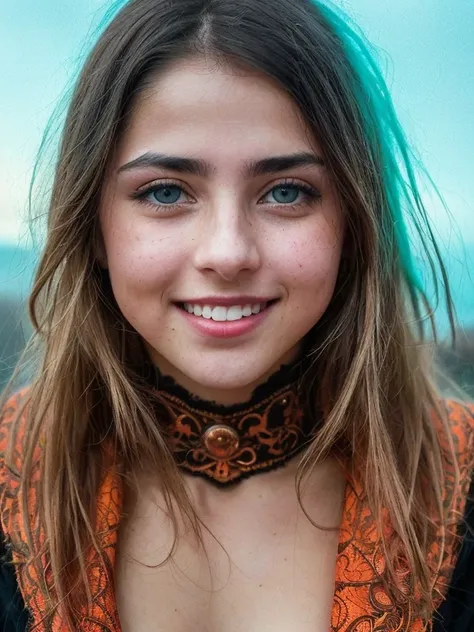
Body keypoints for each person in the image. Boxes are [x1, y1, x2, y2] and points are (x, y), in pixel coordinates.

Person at [1, 0, 473, 630]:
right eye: (166, 192)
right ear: (92, 227)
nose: (228, 252)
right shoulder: (12, 474)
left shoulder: (461, 488)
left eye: (286, 192)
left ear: (353, 224)